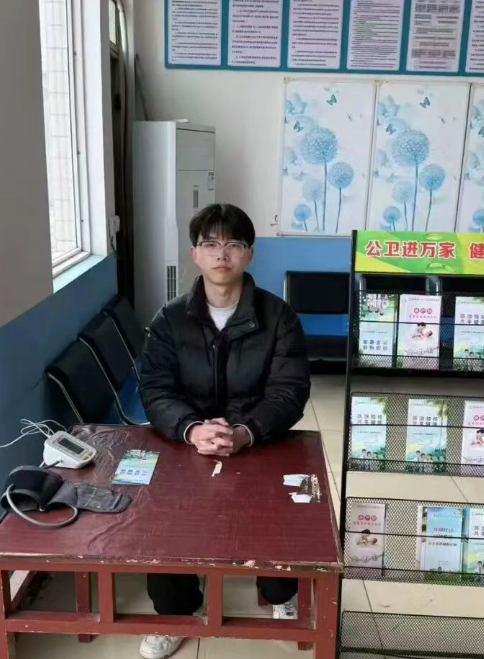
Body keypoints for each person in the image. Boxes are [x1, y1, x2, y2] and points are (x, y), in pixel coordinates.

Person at [138, 203, 310, 659]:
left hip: (259, 437)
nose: (222, 254)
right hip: (186, 439)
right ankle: (177, 613)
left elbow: (290, 391)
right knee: (167, 513)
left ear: (249, 254)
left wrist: (245, 431)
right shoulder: (169, 319)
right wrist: (192, 428)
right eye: (210, 244)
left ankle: (279, 593)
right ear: (195, 254)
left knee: (279, 507)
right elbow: (155, 389)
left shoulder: (279, 317)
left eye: (233, 244)